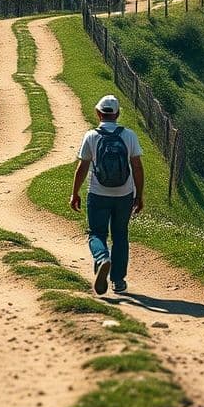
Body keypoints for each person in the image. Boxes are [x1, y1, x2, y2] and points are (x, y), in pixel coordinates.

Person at [69, 95, 144, 295]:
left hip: (98, 193)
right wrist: (139, 195)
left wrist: (75, 193)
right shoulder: (129, 136)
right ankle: (118, 281)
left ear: (98, 113)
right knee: (120, 235)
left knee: (96, 233)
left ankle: (102, 258)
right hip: (124, 194)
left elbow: (82, 167)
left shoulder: (91, 136)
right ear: (117, 114)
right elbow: (137, 167)